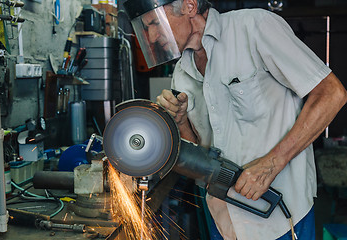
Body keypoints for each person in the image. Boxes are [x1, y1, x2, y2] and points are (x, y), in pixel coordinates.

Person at [123, 0, 347, 239]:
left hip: (280, 219)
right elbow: (201, 154)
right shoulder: (182, 72)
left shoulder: (254, 28)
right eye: (146, 28)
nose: (153, 36)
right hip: (222, 219)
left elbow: (332, 94)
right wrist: (180, 122)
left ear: (189, 6)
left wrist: (271, 164)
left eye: (156, 23)